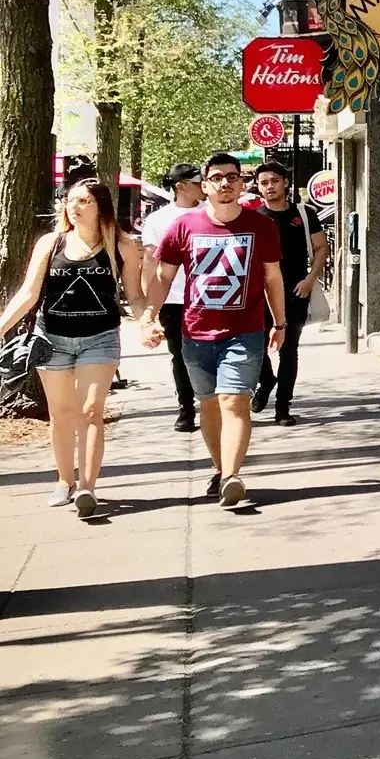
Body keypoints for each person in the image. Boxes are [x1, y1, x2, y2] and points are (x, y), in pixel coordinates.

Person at [142, 153, 285, 508]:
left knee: (234, 401)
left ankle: (234, 476)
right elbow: (164, 276)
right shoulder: (184, 226)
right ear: (204, 186)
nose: (226, 183)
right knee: (209, 405)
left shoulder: (262, 226)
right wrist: (149, 316)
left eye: (233, 177)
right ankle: (221, 471)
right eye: (217, 178)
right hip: (196, 331)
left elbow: (272, 277)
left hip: (245, 330)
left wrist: (279, 323)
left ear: (242, 184)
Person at [0, 177, 146, 516]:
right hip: (52, 338)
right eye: (70, 200)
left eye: (83, 201)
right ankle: (64, 480)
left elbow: (135, 295)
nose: (73, 206)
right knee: (62, 414)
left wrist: (147, 323)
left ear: (100, 207)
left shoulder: (119, 245)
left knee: (92, 411)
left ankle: (87, 487)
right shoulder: (51, 244)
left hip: (101, 337)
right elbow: (27, 293)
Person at [249, 161, 327, 425]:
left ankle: (283, 407)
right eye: (264, 183)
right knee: (256, 346)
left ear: (285, 182)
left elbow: (321, 248)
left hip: (295, 290)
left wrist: (310, 279)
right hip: (260, 293)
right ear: (259, 188)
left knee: (289, 349)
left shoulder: (304, 214)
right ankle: (266, 380)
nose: (269, 187)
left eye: (274, 181)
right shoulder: (255, 218)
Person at [139, 163, 205, 431]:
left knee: (207, 355)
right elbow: (149, 262)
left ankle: (217, 404)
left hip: (209, 298)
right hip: (174, 299)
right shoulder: (158, 220)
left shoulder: (212, 213)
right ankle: (186, 410)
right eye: (197, 181)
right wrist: (149, 307)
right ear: (180, 186)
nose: (203, 185)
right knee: (180, 355)